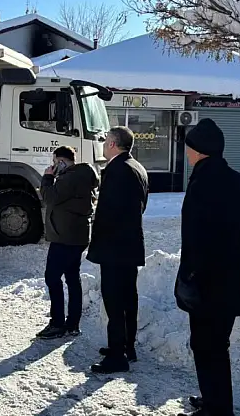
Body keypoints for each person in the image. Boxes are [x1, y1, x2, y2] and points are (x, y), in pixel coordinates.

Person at [175, 118, 240, 416]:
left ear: (200, 150)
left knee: (207, 347)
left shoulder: (202, 183)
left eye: (189, 147)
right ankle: (215, 401)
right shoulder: (238, 180)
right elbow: (238, 227)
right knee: (217, 346)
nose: (187, 153)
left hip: (206, 281)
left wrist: (191, 274)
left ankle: (217, 409)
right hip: (231, 277)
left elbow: (198, 236)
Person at [87, 126, 149, 374]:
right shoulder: (137, 167)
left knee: (114, 302)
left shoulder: (117, 170)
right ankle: (126, 347)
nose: (103, 145)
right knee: (128, 299)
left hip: (114, 248)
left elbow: (108, 213)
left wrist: (97, 242)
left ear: (113, 144)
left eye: (105, 141)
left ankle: (117, 356)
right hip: (130, 245)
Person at [37, 145, 100, 339]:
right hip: (75, 236)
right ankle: (72, 323)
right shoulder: (81, 175)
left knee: (52, 277)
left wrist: (48, 177)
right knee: (72, 278)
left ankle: (57, 324)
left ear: (62, 161)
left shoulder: (70, 178)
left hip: (65, 238)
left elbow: (49, 198)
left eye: (55, 162)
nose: (53, 166)